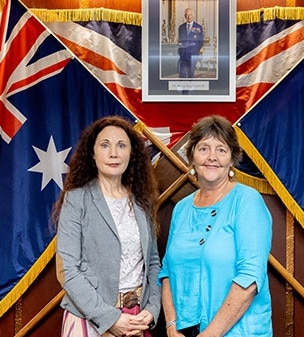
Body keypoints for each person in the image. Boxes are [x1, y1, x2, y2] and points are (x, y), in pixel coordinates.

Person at [159, 115, 273, 336]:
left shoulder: (247, 201)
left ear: (232, 159)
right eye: (204, 149)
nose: (212, 157)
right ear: (192, 156)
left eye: (221, 150)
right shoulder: (181, 209)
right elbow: (166, 272)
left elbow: (250, 279)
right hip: (185, 330)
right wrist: (171, 327)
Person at [52, 116, 161, 337]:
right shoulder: (77, 199)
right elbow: (68, 271)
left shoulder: (142, 201)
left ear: (131, 154)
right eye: (105, 145)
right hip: (90, 318)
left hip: (136, 320)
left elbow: (153, 262)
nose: (113, 153)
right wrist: (110, 318)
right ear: (92, 153)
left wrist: (151, 309)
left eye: (121, 145)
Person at [178, 8, 204, 78]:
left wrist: (195, 50)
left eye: (190, 15)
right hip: (183, 53)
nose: (189, 17)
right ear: (185, 16)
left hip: (193, 54)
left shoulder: (198, 27)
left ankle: (189, 87)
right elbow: (180, 40)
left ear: (193, 16)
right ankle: (182, 88)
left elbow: (201, 42)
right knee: (182, 73)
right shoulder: (181, 27)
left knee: (190, 73)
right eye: (187, 15)